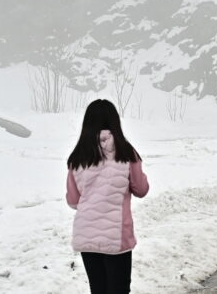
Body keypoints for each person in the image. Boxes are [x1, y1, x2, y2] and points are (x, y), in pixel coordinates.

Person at [66, 99, 150, 294]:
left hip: (86, 234)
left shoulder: (77, 156)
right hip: (116, 237)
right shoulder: (127, 153)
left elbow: (72, 200)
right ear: (115, 122)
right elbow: (141, 189)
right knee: (118, 290)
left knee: (99, 290)